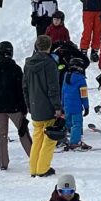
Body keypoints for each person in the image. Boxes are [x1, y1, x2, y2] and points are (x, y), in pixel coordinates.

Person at [24, 35, 65, 178]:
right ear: (49, 46)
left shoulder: (28, 63)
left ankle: (33, 168)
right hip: (47, 107)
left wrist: (29, 105)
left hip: (35, 106)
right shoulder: (50, 64)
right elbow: (53, 88)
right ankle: (43, 168)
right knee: (49, 139)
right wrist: (58, 107)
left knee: (37, 138)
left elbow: (25, 87)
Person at [0, 41, 31, 169]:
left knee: (2, 134)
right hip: (14, 106)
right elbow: (21, 90)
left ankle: (2, 163)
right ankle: (34, 157)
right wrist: (24, 107)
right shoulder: (15, 68)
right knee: (23, 131)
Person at [61, 56, 91, 150]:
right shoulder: (81, 80)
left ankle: (62, 139)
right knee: (77, 124)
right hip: (76, 107)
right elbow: (84, 95)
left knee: (68, 123)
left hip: (67, 106)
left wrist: (62, 104)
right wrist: (86, 107)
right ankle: (75, 143)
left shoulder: (65, 77)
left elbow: (63, 91)